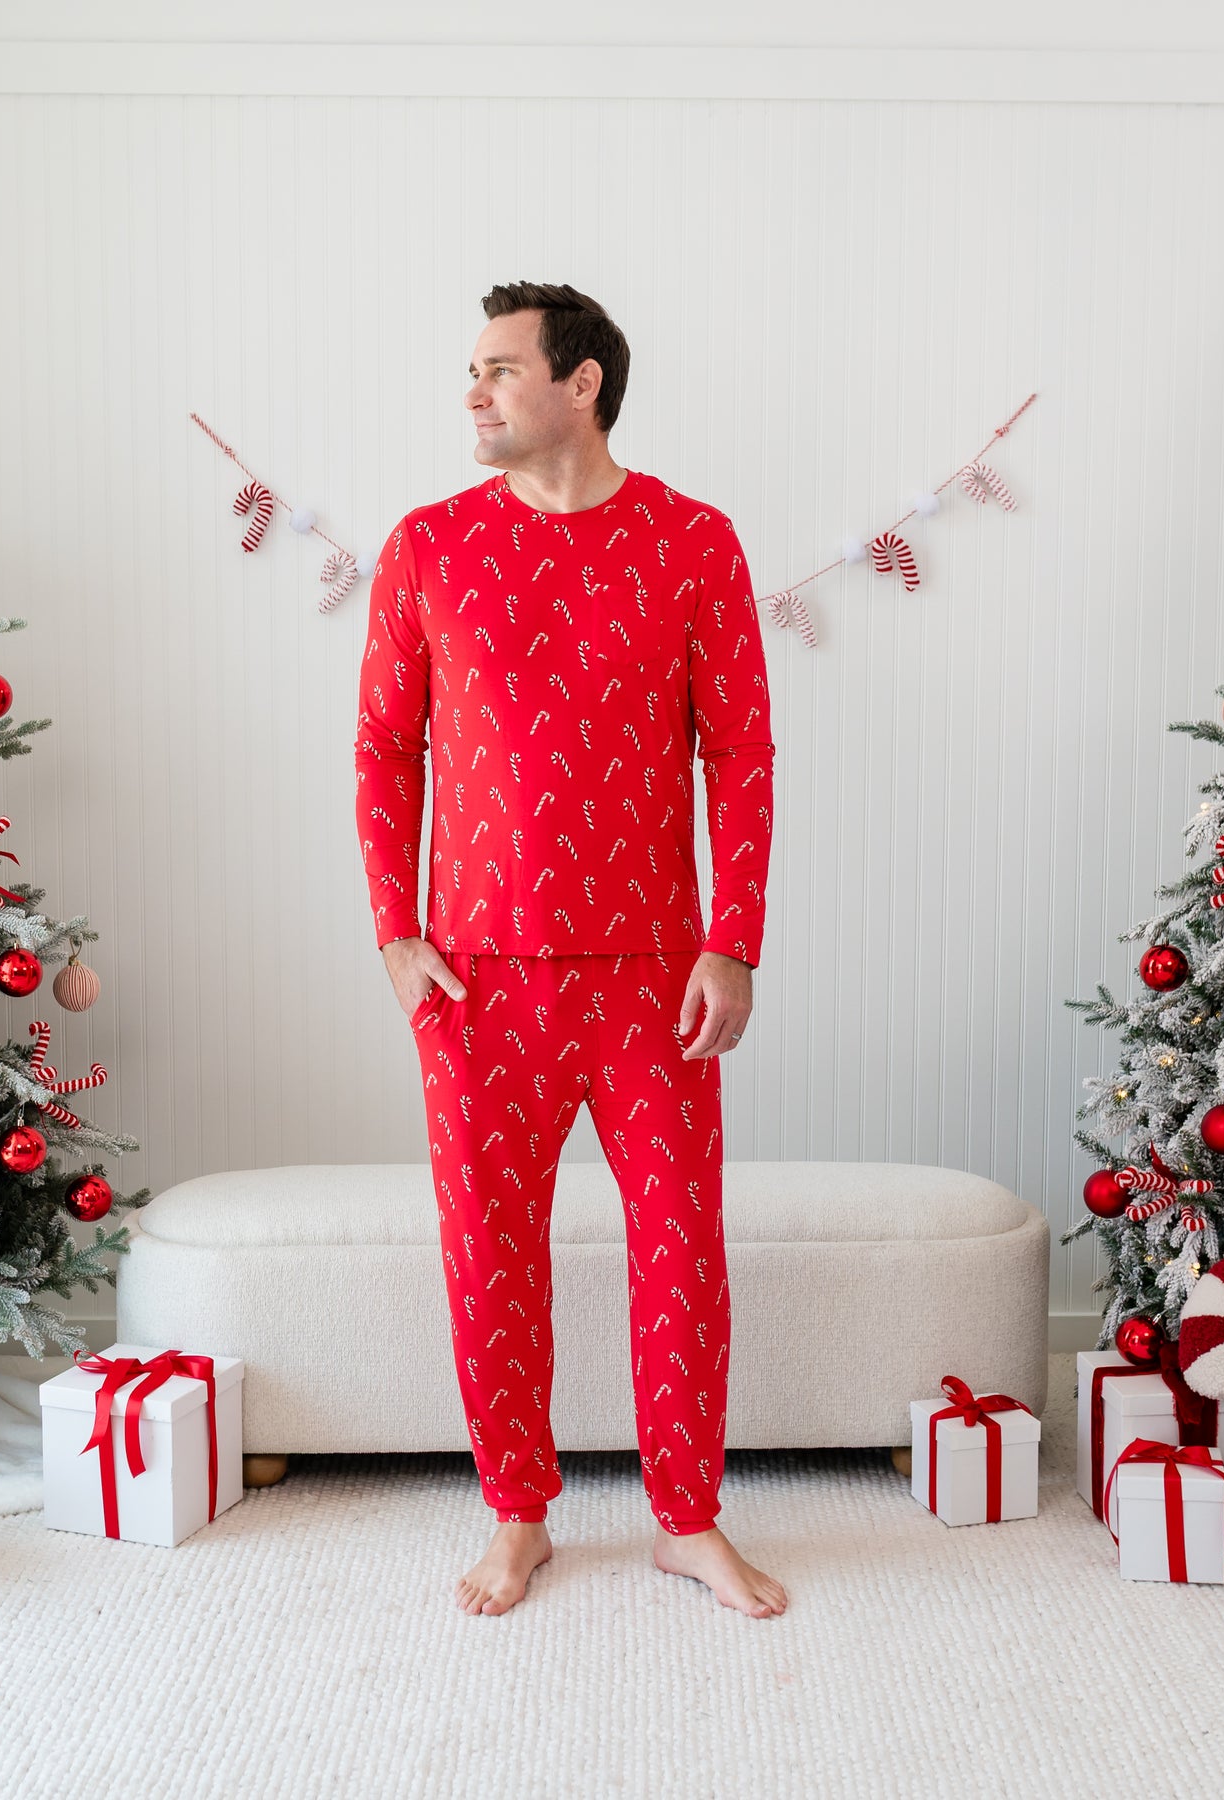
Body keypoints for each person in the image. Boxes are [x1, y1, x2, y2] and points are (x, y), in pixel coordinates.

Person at [353, 281, 784, 1619]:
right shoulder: (426, 546)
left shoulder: (695, 542)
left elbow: (742, 754)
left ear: (581, 382)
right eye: (468, 373)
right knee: (490, 1249)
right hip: (478, 978)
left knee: (681, 1246)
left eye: (498, 369)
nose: (473, 395)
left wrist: (736, 941)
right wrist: (394, 933)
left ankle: (687, 1520)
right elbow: (386, 747)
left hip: (658, 975)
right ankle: (518, 1515)